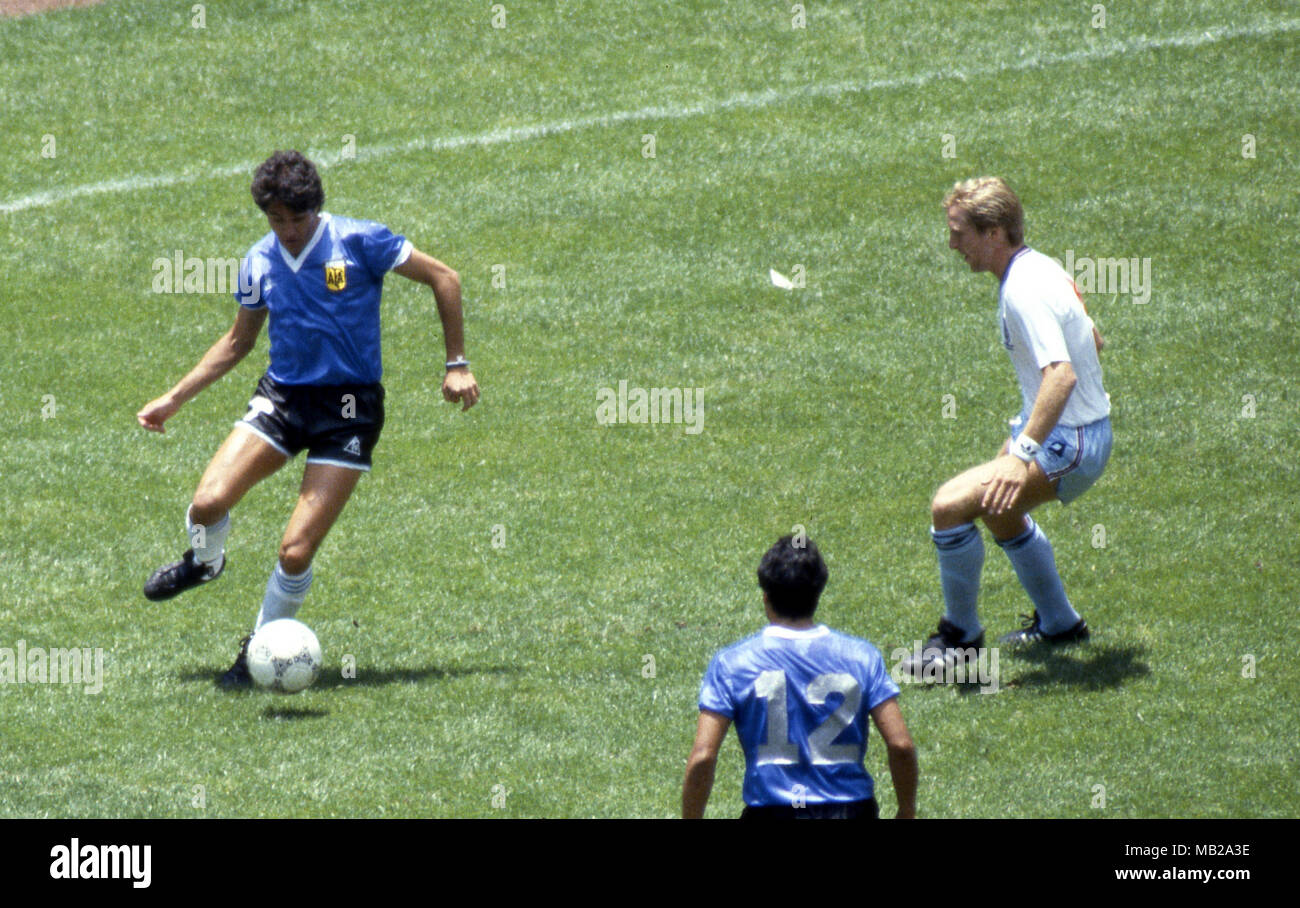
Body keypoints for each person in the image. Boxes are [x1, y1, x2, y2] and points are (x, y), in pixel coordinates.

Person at [136, 150, 479, 687]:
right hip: (284, 400)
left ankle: (257, 652)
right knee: (206, 504)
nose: (289, 231)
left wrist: (456, 363)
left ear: (316, 209)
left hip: (349, 412)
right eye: (278, 221)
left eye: (298, 219)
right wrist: (174, 399)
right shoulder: (258, 262)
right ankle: (204, 562)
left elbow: (445, 277)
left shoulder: (363, 241)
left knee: (294, 551)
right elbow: (237, 342)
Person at [902, 176, 1112, 679]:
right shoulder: (1041, 267)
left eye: (959, 233)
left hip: (1072, 441)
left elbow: (1061, 376)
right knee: (999, 512)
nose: (952, 244)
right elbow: (1094, 340)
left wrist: (1021, 455)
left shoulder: (1023, 289)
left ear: (993, 232)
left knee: (948, 507)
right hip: (1080, 430)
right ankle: (1061, 624)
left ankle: (961, 642)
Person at [682, 535, 917, 819]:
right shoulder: (861, 656)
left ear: (766, 597)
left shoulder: (732, 664)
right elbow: (901, 744)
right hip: (851, 811)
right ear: (818, 592)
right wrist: (906, 809)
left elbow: (703, 756)